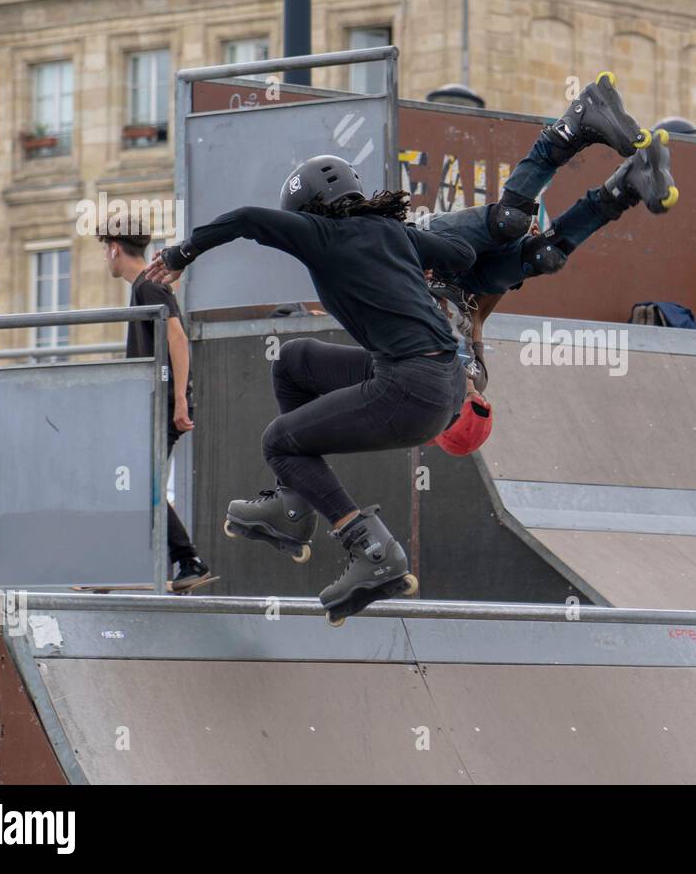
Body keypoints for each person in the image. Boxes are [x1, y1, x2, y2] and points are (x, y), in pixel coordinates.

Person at [142, 157, 474, 622]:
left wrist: (182, 254)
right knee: (295, 362)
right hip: (442, 381)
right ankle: (293, 504)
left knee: (278, 441)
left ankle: (371, 549)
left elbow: (246, 220)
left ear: (308, 209)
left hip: (410, 389)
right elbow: (463, 257)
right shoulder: (394, 232)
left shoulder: (322, 233)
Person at [424, 72, 679, 403]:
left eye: (469, 396)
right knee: (544, 256)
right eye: (478, 398)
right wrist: (514, 266)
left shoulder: (418, 375)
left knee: (510, 221)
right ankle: (626, 184)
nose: (474, 391)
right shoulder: (477, 376)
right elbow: (476, 317)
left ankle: (577, 118)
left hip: (426, 246)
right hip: (467, 283)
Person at [98, 219, 211, 591]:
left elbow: (177, 338)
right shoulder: (145, 285)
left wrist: (180, 398)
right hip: (156, 404)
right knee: (136, 485)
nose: (105, 259)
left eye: (105, 250)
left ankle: (186, 560)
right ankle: (164, 562)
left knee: (139, 487)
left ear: (114, 248)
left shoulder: (148, 285)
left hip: (163, 404)